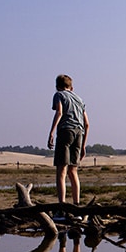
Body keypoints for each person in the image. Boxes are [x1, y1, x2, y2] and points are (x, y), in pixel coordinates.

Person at [47, 74, 89, 205]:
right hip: (79, 133)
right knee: (73, 170)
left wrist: (51, 132)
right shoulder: (80, 99)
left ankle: (62, 205)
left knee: (61, 170)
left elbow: (59, 112)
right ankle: (77, 204)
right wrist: (83, 146)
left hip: (66, 130)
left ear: (57, 87)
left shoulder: (59, 95)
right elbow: (87, 124)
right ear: (72, 87)